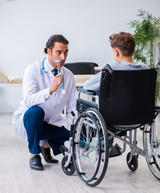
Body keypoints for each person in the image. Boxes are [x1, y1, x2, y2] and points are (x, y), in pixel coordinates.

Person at [12, 34, 77, 171]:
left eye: (65, 53)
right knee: (36, 112)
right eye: (59, 52)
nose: (63, 57)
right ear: (49, 51)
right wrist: (50, 90)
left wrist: (78, 125)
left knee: (74, 136)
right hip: (29, 120)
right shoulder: (33, 69)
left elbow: (72, 108)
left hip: (51, 122)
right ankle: (34, 154)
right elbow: (28, 100)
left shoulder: (69, 76)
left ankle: (45, 145)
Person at [83, 32, 148, 156]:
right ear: (133, 50)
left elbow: (88, 86)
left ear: (116, 52)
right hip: (140, 118)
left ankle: (91, 143)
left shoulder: (111, 69)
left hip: (114, 119)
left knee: (89, 106)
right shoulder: (144, 69)